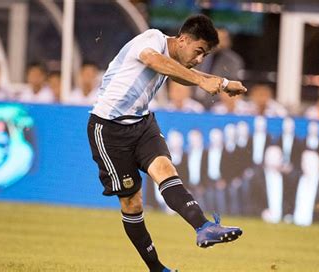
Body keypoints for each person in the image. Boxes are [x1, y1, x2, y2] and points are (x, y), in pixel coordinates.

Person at [87, 14, 246, 272]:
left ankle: (204, 227)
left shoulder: (173, 59)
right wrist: (201, 80)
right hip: (109, 128)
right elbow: (153, 59)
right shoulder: (152, 39)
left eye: (204, 55)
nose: (199, 60)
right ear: (182, 40)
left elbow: (180, 75)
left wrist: (223, 83)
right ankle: (156, 268)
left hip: (141, 123)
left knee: (165, 170)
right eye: (199, 51)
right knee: (132, 203)